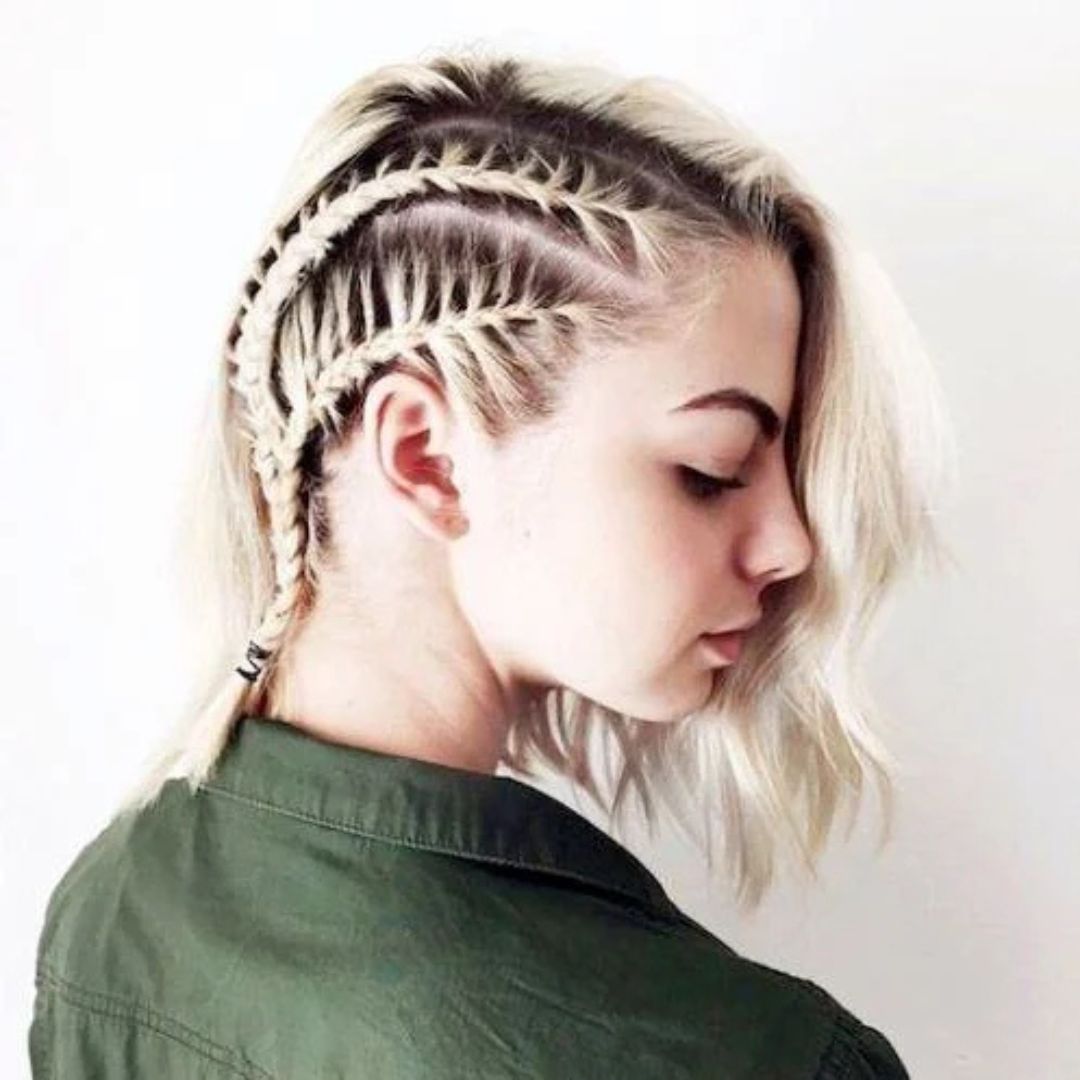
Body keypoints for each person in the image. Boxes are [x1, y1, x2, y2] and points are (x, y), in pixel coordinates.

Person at [29, 45, 956, 1078]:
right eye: (714, 469)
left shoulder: (110, 910)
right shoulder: (746, 1057)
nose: (791, 543)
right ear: (428, 458)